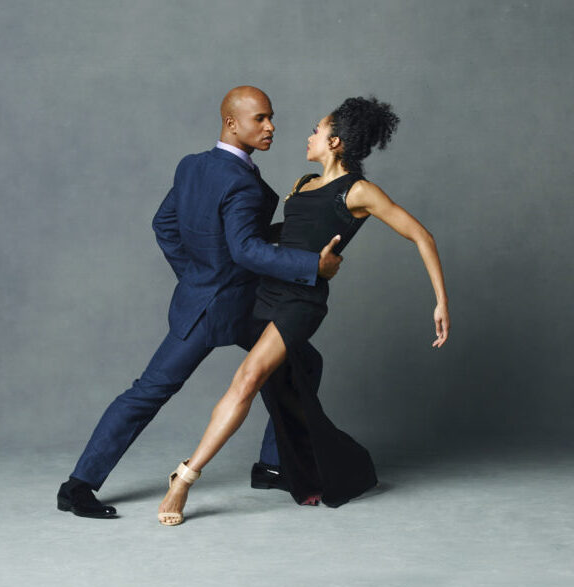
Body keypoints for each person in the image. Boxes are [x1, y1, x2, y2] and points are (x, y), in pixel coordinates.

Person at [157, 95, 451, 525]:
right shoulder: (302, 183)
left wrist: (441, 301)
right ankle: (324, 468)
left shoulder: (359, 191)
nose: (308, 135)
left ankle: (183, 478)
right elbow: (282, 236)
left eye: (317, 129)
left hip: (300, 302)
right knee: (288, 387)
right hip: (267, 294)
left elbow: (421, 236)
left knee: (248, 379)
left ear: (335, 142)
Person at [57, 86, 343, 518]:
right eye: (260, 119)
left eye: (272, 118)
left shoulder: (192, 166)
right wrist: (311, 266)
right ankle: (77, 487)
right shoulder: (240, 183)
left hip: (226, 303)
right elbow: (244, 249)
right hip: (221, 308)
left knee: (303, 362)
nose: (271, 127)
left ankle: (273, 465)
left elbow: (165, 225)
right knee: (150, 392)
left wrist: (198, 276)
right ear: (232, 122)